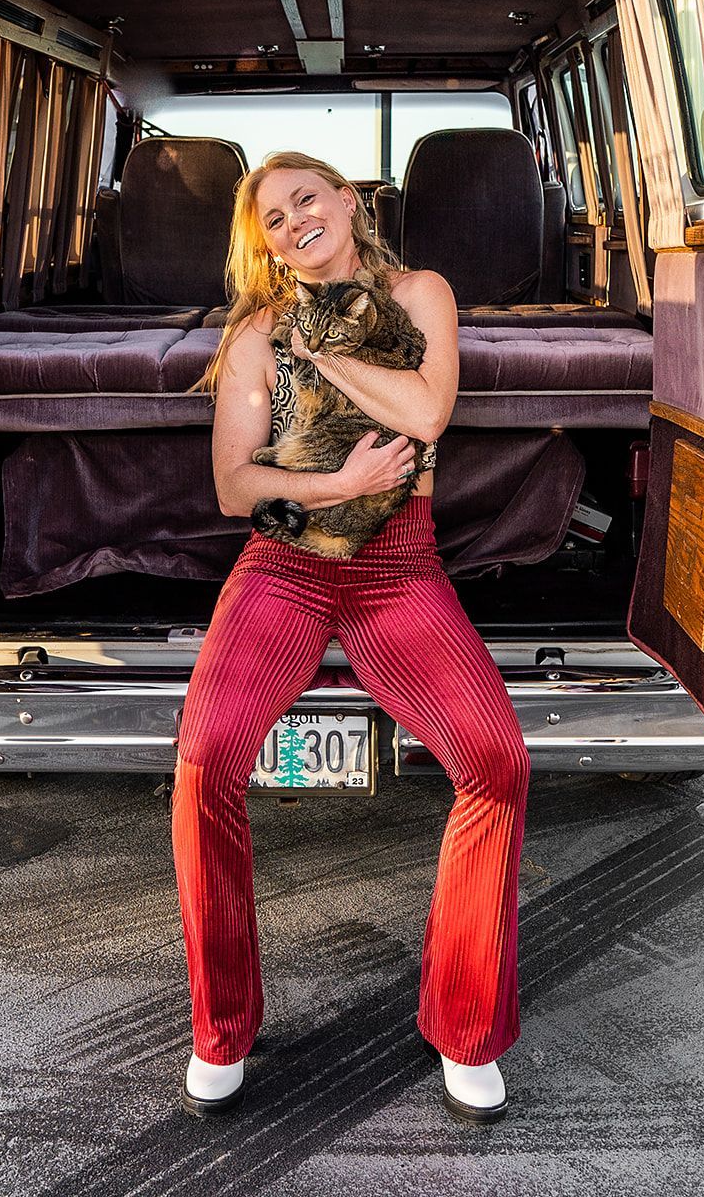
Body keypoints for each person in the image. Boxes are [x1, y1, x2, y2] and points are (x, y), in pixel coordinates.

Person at [172, 150, 531, 1126]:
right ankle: (222, 1027)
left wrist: (320, 345)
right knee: (204, 756)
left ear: (348, 200)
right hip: (282, 567)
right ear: (268, 250)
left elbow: (424, 410)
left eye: (305, 201)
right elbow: (234, 486)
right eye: (273, 222)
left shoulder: (419, 292)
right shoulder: (253, 334)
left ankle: (463, 1024)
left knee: (496, 759)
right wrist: (327, 486)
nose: (294, 223)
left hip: (398, 568)